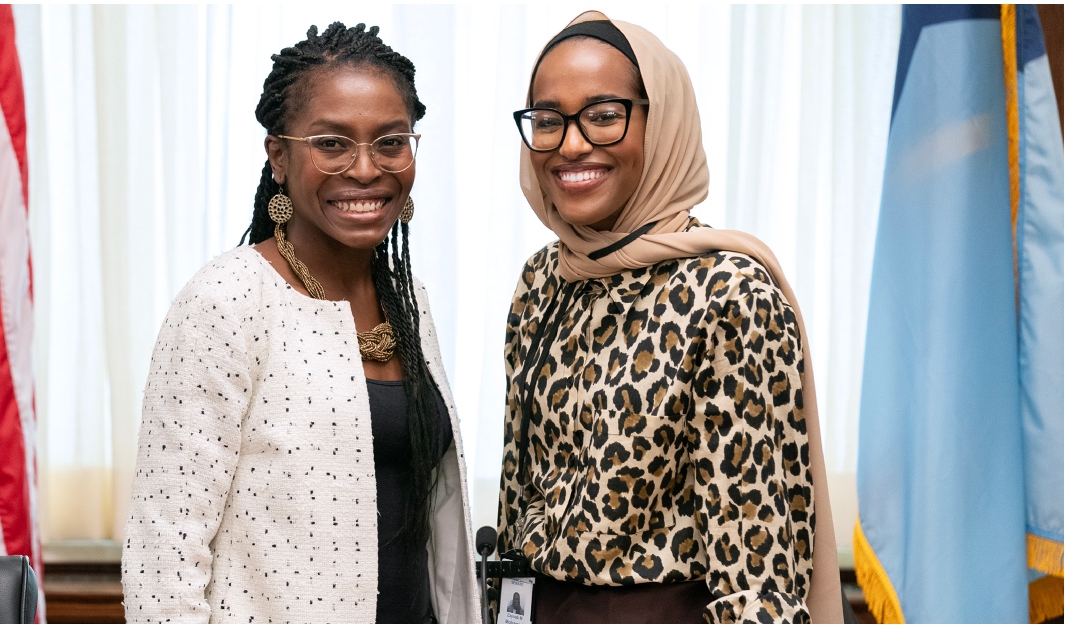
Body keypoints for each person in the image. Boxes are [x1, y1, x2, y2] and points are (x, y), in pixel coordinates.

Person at [121, 22, 479, 624]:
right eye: (332, 143)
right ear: (279, 157)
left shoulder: (406, 299)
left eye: (390, 142)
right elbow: (163, 563)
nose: (366, 169)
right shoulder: (228, 299)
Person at [495, 11, 843, 624]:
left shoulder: (728, 292)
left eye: (604, 116)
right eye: (548, 122)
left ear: (662, 125)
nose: (571, 145)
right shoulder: (543, 279)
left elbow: (755, 562)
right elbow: (519, 493)